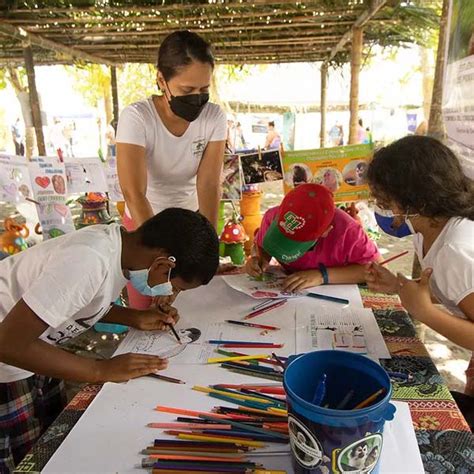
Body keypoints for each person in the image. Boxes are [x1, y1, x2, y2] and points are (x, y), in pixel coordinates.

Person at [0, 208, 219, 471]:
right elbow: (8, 344)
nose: (170, 293)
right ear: (163, 265)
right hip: (9, 357)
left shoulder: (119, 250)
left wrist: (133, 317)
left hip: (35, 345)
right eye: (176, 287)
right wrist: (99, 369)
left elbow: (76, 299)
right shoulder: (88, 262)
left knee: (49, 435)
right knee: (27, 457)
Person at [365, 135, 474, 427]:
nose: (380, 207)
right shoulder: (425, 228)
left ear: (418, 200)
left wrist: (424, 312)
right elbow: (455, 289)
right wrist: (399, 286)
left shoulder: (456, 250)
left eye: (385, 201)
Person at [116, 30, 226, 310]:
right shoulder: (137, 117)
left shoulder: (214, 117)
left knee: (190, 310)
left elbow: (209, 185)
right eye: (187, 91)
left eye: (204, 90)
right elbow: (134, 192)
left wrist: (206, 245)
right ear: (161, 80)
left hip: (190, 226)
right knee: (145, 308)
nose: (197, 99)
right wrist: (157, 260)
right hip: (144, 227)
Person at [245, 184, 380, 292]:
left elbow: (376, 269)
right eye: (281, 235)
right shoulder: (271, 216)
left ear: (326, 231)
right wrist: (259, 259)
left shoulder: (348, 231)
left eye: (295, 242)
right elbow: (263, 247)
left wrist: (322, 276)